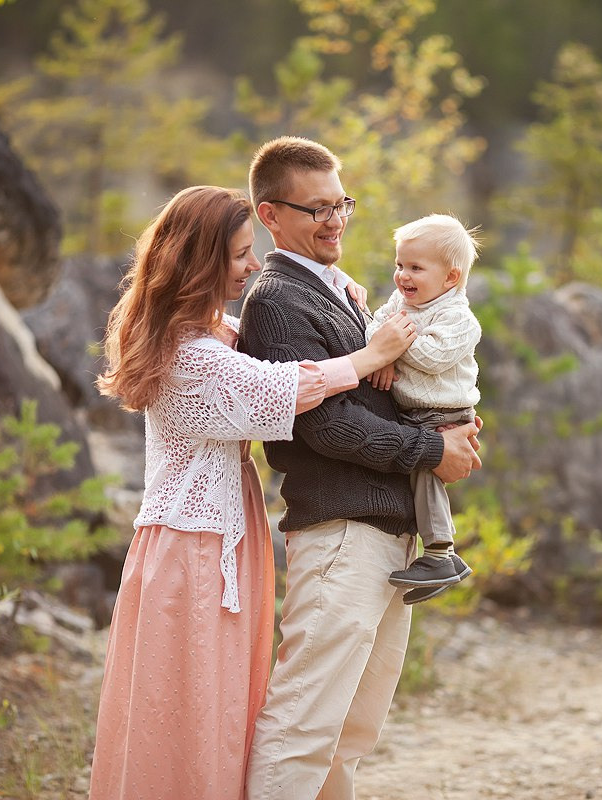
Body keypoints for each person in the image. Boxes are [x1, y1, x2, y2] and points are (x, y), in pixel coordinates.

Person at [87, 185, 420, 800]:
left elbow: (283, 341)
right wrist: (371, 352)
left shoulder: (209, 333)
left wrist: (345, 294)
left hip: (220, 542)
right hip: (191, 549)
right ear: (199, 260)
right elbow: (283, 386)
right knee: (188, 710)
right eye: (240, 255)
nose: (251, 266)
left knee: (223, 707)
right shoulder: (189, 356)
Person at [238, 136, 482, 800]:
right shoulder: (278, 300)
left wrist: (449, 428)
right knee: (304, 727)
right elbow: (326, 424)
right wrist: (434, 452)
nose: (334, 220)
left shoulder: (346, 294)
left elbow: (388, 394)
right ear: (271, 215)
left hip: (388, 537)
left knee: (352, 733)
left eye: (340, 203)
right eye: (314, 208)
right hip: (341, 536)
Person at [366, 213, 482, 599]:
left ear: (450, 277)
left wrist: (390, 348)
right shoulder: (401, 302)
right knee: (414, 473)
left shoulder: (459, 318)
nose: (403, 276)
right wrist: (380, 353)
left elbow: (433, 356)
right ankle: (448, 564)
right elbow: (372, 328)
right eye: (400, 265)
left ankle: (439, 553)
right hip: (414, 409)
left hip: (444, 412)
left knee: (425, 468)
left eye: (416, 267)